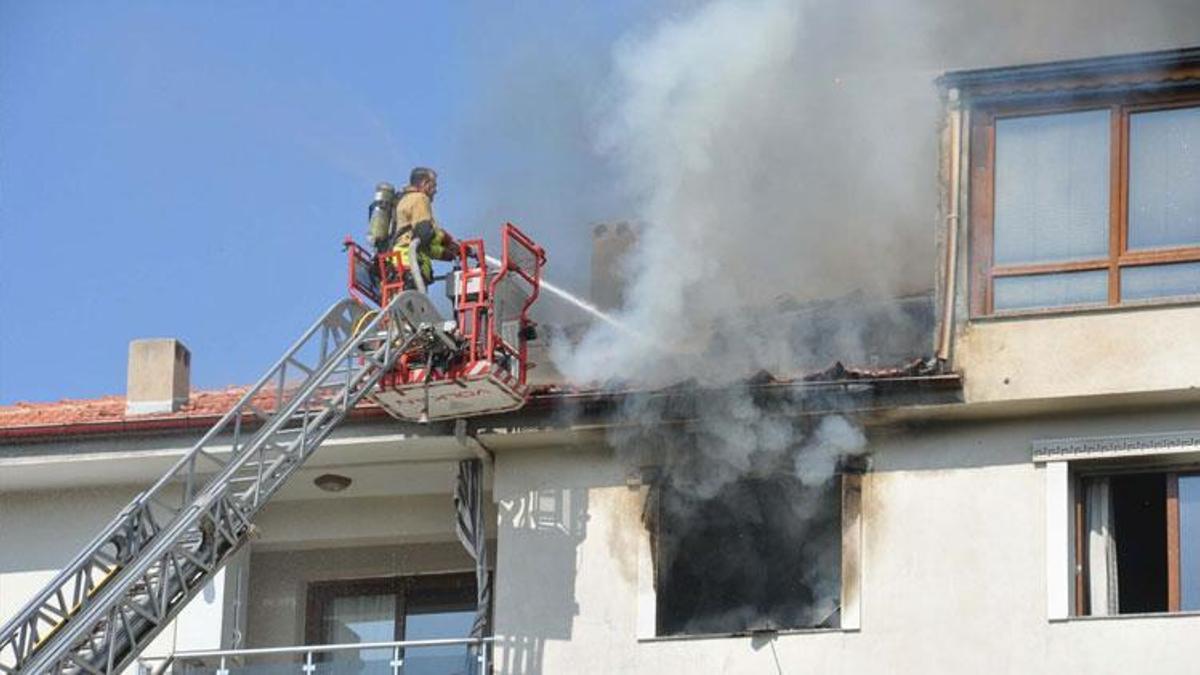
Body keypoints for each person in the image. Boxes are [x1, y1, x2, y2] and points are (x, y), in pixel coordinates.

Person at [391, 167, 460, 293]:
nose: (436, 191)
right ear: (425, 184)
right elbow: (425, 234)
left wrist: (447, 253)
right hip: (412, 267)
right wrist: (448, 242)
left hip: (398, 267)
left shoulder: (403, 201)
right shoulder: (420, 198)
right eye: (433, 186)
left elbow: (423, 245)